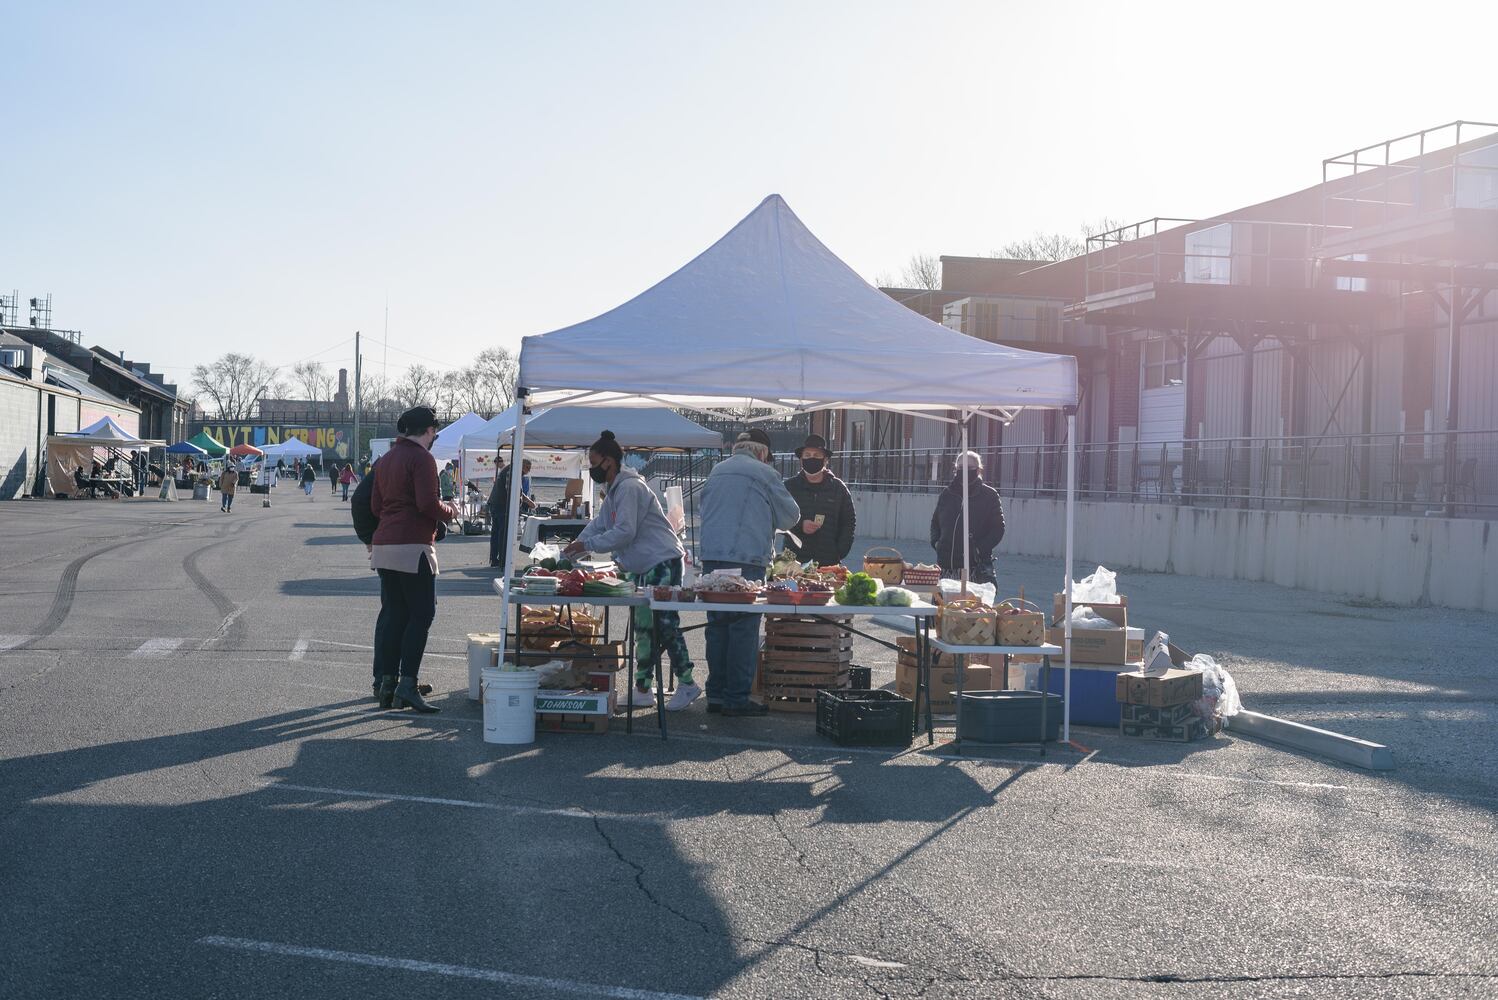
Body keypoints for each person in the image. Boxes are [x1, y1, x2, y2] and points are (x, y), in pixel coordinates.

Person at [563, 431, 698, 711]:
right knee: (645, 628)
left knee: (665, 623)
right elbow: (600, 524)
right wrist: (578, 545)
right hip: (645, 563)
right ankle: (643, 688)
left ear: (609, 461)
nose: (592, 468)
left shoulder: (629, 488)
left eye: (594, 462)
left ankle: (687, 683)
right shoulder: (614, 490)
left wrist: (586, 545)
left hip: (662, 561)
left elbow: (625, 531)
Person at [698, 428, 800, 716]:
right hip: (747, 559)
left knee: (717, 626)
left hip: (712, 558)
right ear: (763, 452)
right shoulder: (764, 473)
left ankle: (715, 695)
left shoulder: (717, 470)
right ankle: (736, 698)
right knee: (743, 627)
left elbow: (704, 509)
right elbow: (791, 516)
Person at [369, 406, 458, 712]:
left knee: (395, 615)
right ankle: (407, 683)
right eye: (434, 432)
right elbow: (427, 504)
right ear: (430, 431)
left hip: (384, 543)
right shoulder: (422, 458)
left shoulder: (387, 458)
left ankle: (388, 684)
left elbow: (376, 505)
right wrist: (450, 511)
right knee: (422, 614)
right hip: (413, 545)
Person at [930, 451, 1006, 585]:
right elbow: (935, 522)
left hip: (974, 568)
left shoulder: (989, 495)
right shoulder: (947, 494)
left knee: (971, 605)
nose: (963, 471)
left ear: (978, 470)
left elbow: (998, 528)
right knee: (943, 605)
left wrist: (979, 549)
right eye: (960, 468)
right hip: (946, 567)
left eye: (969, 468)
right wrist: (937, 543)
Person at [783, 433, 856, 568]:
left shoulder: (838, 488)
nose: (812, 459)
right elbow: (779, 518)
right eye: (807, 455)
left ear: (825, 459)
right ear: (801, 459)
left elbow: (849, 521)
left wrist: (840, 550)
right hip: (793, 561)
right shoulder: (789, 487)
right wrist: (800, 525)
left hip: (828, 561)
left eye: (817, 455)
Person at [488, 458, 536, 567]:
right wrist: (521, 504)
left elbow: (516, 491)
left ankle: (495, 559)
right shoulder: (513, 471)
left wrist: (527, 501)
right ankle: (501, 559)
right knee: (502, 533)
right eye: (527, 468)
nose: (528, 470)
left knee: (496, 533)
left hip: (495, 503)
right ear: (522, 465)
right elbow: (511, 491)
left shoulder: (510, 469)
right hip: (501, 504)